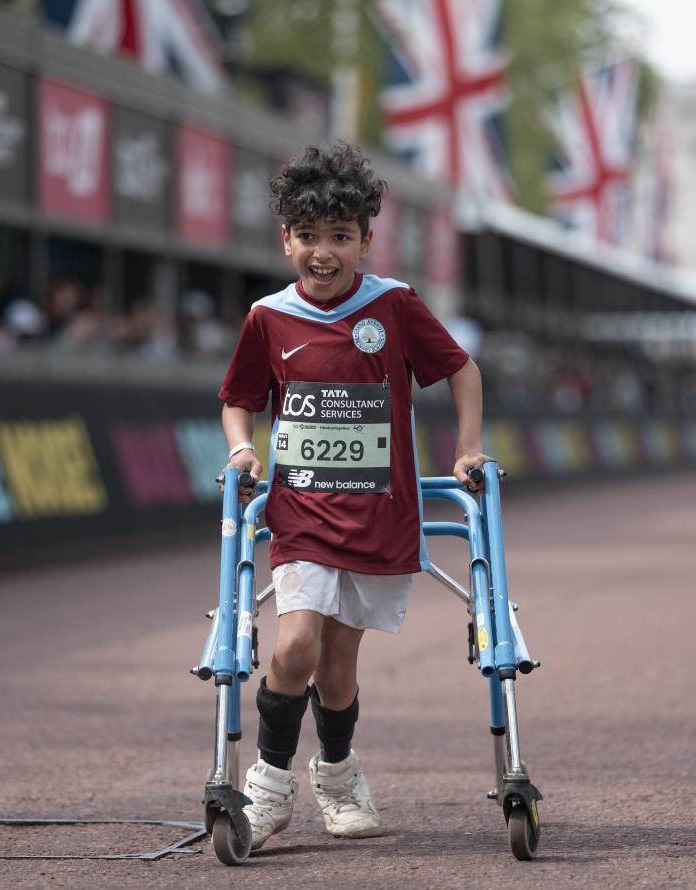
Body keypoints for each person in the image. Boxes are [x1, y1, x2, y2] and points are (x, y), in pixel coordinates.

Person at [217, 143, 489, 851]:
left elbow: (461, 370)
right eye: (308, 237)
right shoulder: (267, 317)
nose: (323, 252)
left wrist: (467, 447)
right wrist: (242, 447)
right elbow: (238, 399)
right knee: (297, 645)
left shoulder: (393, 305)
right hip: (302, 518)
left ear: (366, 240)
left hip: (378, 519)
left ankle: (336, 774)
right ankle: (270, 787)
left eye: (340, 237)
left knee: (337, 670)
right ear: (286, 239)